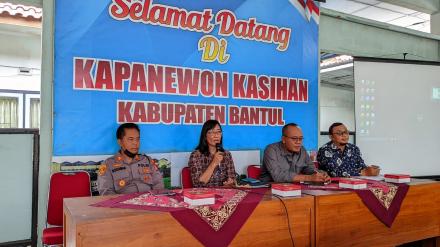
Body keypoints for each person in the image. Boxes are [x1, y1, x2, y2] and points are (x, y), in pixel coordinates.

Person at [97, 123, 164, 195]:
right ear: (120, 142)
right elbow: (106, 192)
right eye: (130, 139)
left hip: (149, 202)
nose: (135, 143)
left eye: (137, 139)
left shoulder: (147, 161)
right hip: (123, 204)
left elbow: (159, 185)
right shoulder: (108, 165)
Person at [260, 123, 330, 183]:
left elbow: (309, 168)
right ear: (283, 139)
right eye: (294, 138)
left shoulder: (302, 150)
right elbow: (278, 176)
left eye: (300, 139)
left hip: (294, 188)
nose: (298, 142)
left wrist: (320, 175)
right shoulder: (271, 149)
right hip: (268, 189)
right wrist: (308, 178)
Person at [188, 120, 236, 187]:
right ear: (205, 136)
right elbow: (198, 184)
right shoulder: (196, 155)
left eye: (218, 132)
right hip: (204, 195)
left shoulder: (227, 154)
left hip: (224, 194)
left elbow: (232, 178)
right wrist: (214, 162)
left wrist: (230, 182)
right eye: (212, 132)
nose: (216, 135)